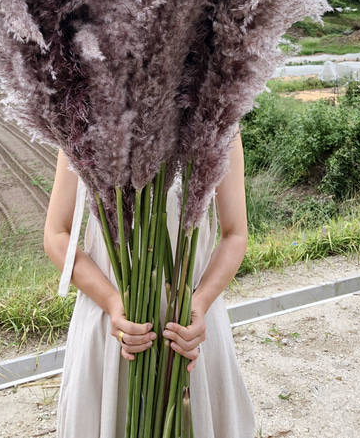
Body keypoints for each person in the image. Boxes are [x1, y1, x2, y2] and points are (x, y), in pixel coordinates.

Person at [43, 130, 255, 437]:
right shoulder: (88, 107)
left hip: (188, 331)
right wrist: (113, 302)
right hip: (114, 329)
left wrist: (200, 303)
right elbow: (55, 235)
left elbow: (235, 233)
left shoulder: (215, 108)